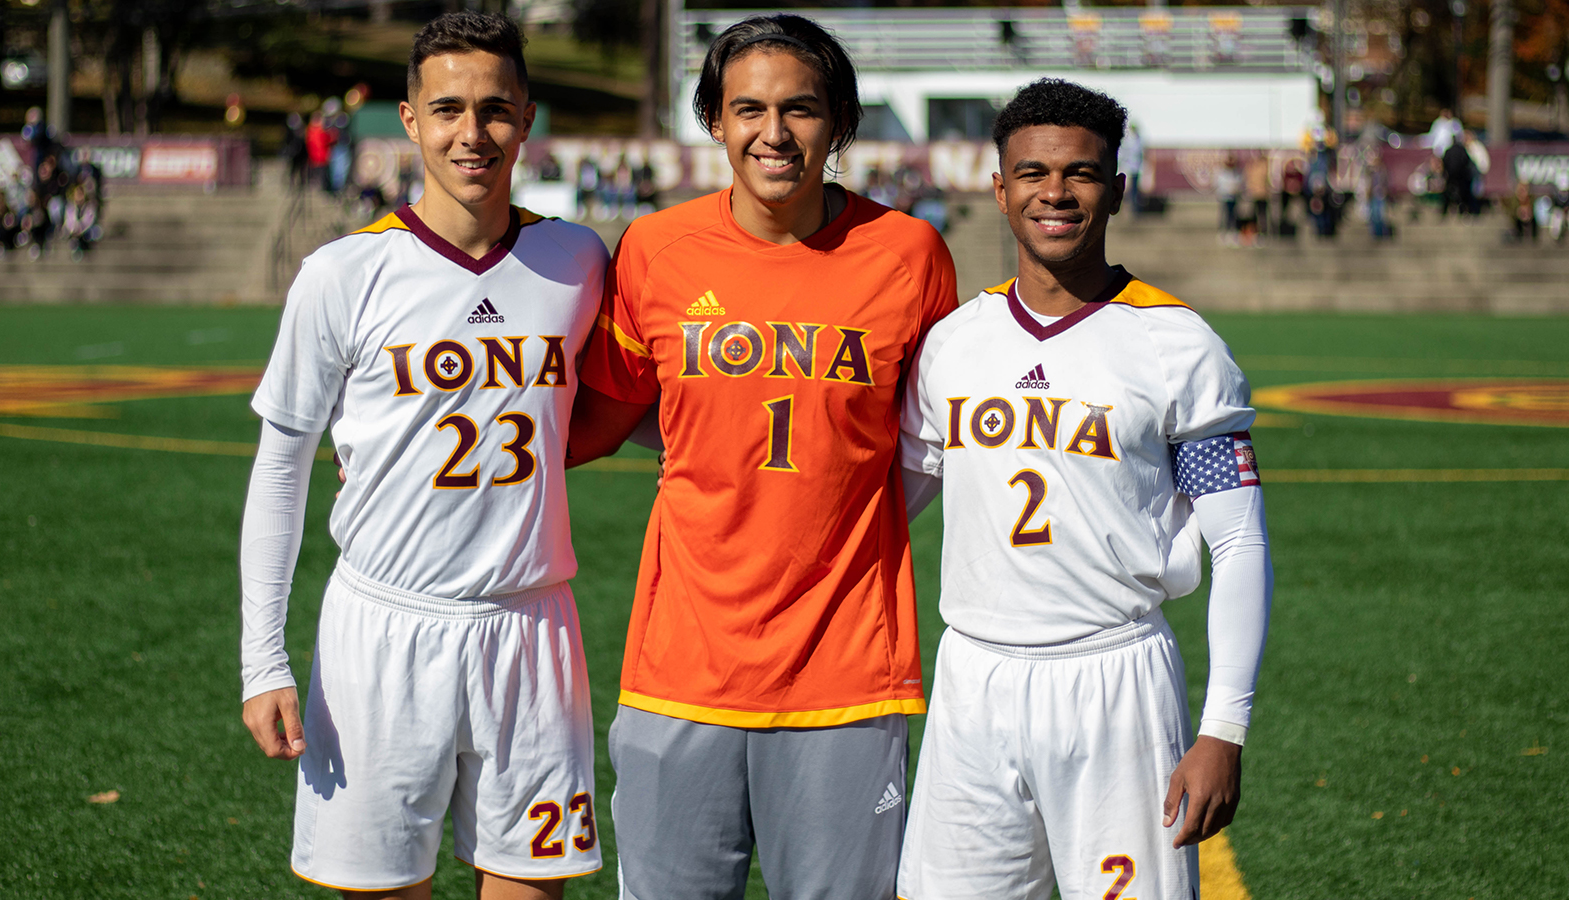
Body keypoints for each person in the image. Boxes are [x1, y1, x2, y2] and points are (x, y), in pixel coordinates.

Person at [566, 14, 959, 899]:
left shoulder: (909, 256)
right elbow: (598, 419)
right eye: (748, 109)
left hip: (848, 676)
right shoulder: (655, 251)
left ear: (840, 124)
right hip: (679, 671)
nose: (773, 134)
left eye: (801, 110)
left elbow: (933, 443)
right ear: (713, 119)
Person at [239, 13, 607, 899]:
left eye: (494, 110)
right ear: (408, 119)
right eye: (446, 110)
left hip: (531, 629)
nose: (469, 134)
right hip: (383, 630)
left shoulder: (579, 257)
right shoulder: (343, 273)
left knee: (531, 885)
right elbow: (282, 466)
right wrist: (263, 660)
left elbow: (626, 406)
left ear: (526, 118)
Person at [895, 78, 1272, 900]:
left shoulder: (1179, 346)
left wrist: (1224, 731)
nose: (1055, 193)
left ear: (1118, 189)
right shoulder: (953, 344)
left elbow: (1238, 542)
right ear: (1000, 189)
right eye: (1031, 172)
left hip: (1115, 681)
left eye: (1081, 174)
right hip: (972, 679)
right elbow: (888, 503)